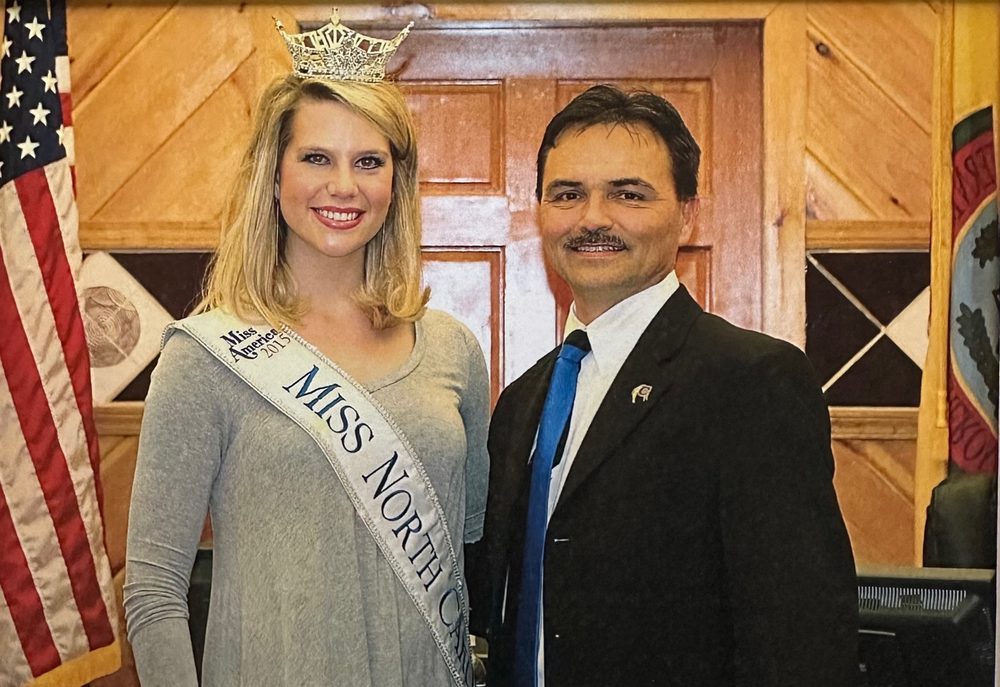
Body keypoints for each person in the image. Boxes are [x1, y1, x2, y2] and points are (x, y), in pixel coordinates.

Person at [124, 14, 488, 687]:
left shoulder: (452, 349)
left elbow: (472, 552)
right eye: (317, 157)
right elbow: (153, 592)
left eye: (368, 161)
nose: (343, 185)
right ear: (275, 173)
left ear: (395, 183)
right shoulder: (206, 356)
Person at [476, 85, 859, 686]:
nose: (593, 217)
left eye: (629, 195)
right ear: (540, 214)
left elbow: (801, 640)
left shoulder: (750, 382)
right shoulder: (524, 399)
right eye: (568, 194)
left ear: (688, 213)